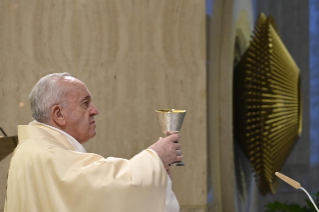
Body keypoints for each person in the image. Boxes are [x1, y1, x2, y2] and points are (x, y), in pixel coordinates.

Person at [5, 73, 183, 212]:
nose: (95, 110)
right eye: (85, 103)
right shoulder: (46, 154)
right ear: (58, 114)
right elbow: (103, 187)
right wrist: (155, 159)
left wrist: (157, 171)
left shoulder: (33, 148)